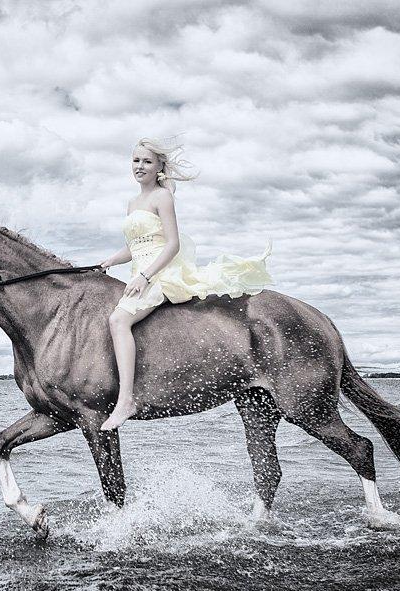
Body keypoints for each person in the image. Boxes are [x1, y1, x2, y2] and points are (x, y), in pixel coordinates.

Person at [98, 138, 273, 431]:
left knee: (118, 320)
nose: (139, 166)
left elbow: (172, 244)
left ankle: (126, 400)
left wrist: (146, 276)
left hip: (161, 272)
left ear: (159, 168)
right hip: (140, 269)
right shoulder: (132, 203)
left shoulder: (161, 198)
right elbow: (136, 246)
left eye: (147, 162)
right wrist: (109, 261)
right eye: (136, 160)